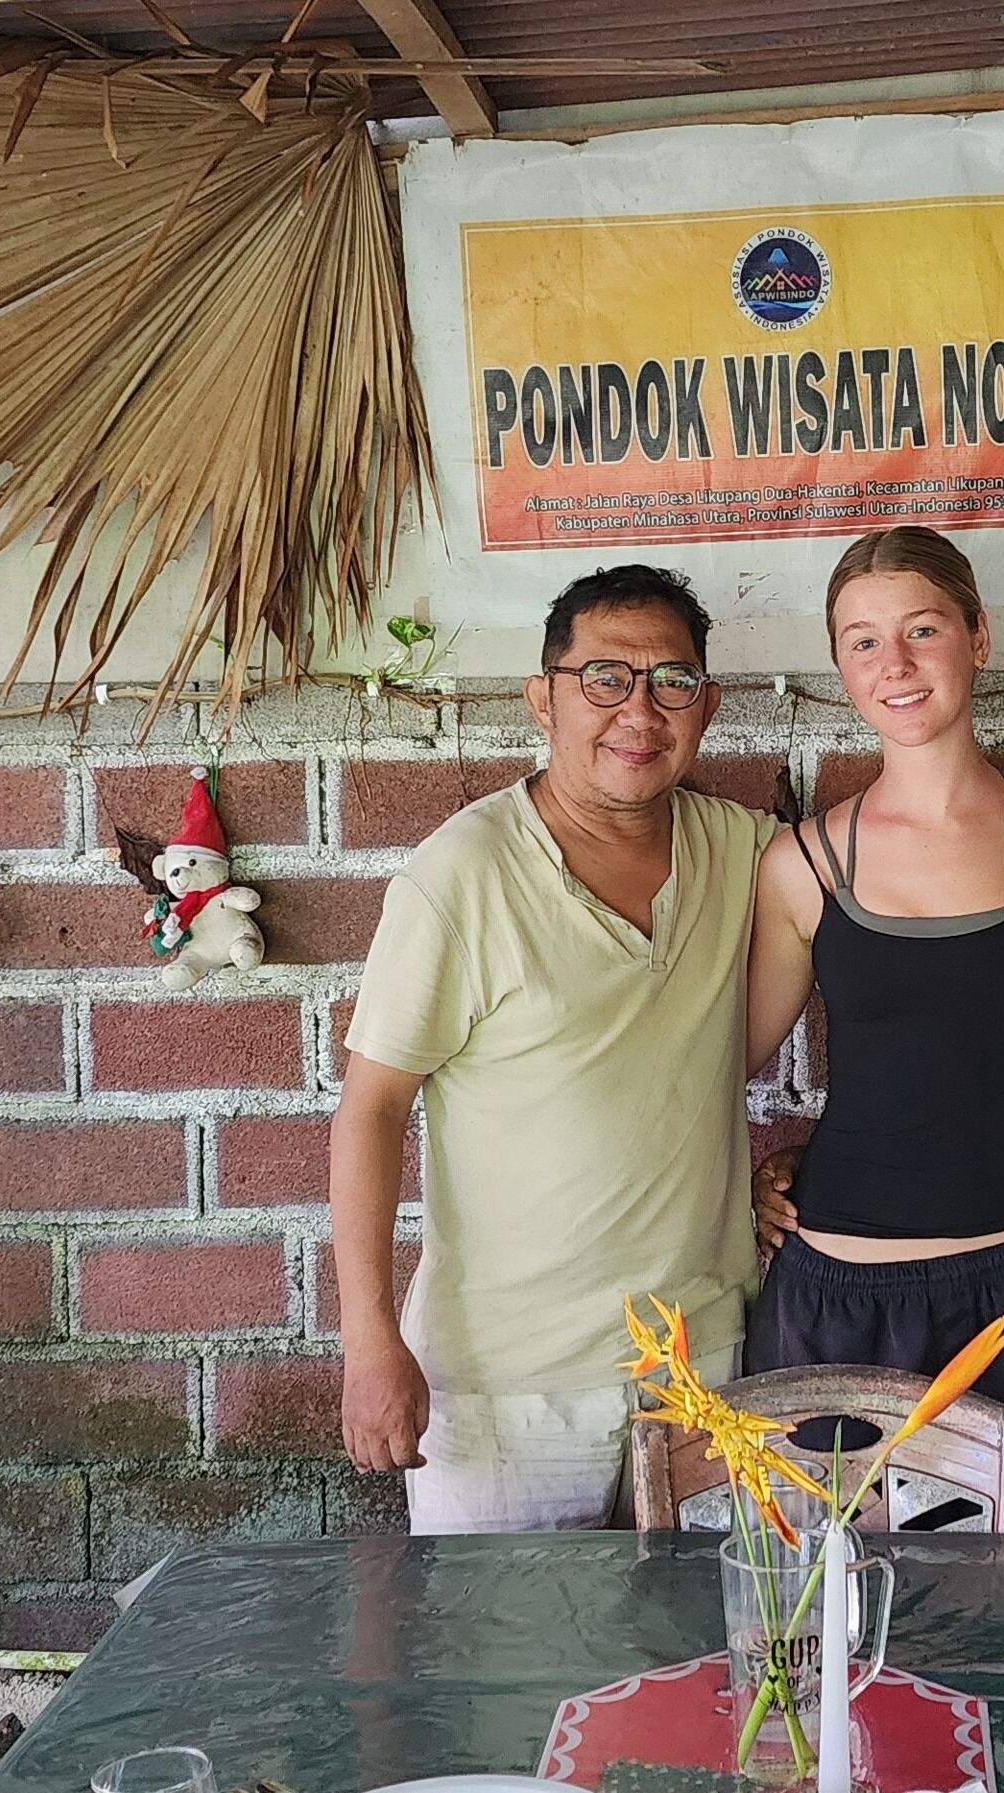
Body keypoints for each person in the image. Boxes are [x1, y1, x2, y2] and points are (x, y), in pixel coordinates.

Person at [329, 566, 768, 1532]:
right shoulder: (463, 874)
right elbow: (370, 1109)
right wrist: (369, 1341)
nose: (639, 711)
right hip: (504, 1392)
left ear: (708, 705)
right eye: (604, 678)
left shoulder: (743, 852)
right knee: (504, 1677)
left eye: (671, 682)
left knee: (706, 1671)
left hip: (702, 1376)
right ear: (544, 698)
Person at [739, 527, 1004, 1531]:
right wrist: (738, 1177)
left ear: (978, 637)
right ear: (838, 666)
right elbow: (716, 1065)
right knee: (831, 1628)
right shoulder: (802, 862)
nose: (895, 664)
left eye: (922, 629)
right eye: (863, 641)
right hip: (834, 1303)